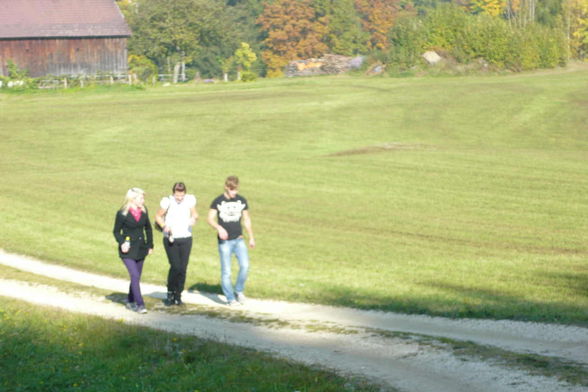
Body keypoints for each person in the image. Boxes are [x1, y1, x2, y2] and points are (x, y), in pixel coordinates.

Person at [207, 176, 255, 306]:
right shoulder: (218, 201)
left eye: (236, 189)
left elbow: (246, 220)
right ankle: (230, 298)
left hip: (239, 239)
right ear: (226, 187)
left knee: (245, 266)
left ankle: (238, 291)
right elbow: (210, 218)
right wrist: (219, 228)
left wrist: (251, 237)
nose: (235, 192)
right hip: (225, 242)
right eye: (232, 190)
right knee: (226, 271)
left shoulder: (241, 200)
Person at [155, 182, 198, 306]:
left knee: (183, 268)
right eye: (177, 195)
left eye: (181, 195)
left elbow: (195, 214)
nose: (179, 198)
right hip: (171, 238)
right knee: (175, 266)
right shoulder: (167, 202)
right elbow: (158, 216)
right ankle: (170, 292)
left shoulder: (189, 200)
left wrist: (194, 219)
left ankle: (178, 295)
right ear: (173, 193)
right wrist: (164, 226)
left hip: (186, 238)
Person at [112, 187, 154, 314]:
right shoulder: (122, 213)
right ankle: (140, 304)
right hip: (127, 250)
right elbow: (116, 231)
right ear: (133, 199)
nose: (143, 200)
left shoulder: (144, 211)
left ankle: (130, 300)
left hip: (141, 249)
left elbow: (148, 229)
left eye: (143, 198)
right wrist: (122, 242)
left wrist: (150, 245)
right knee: (134, 275)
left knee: (136, 277)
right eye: (141, 198)